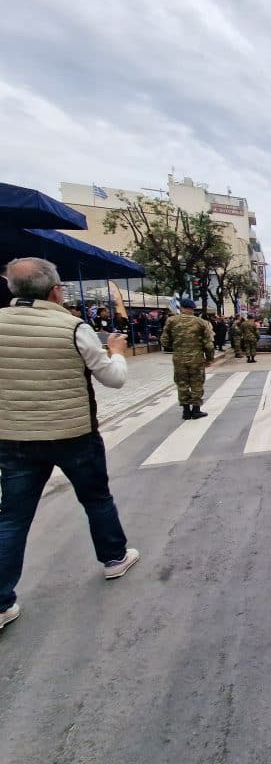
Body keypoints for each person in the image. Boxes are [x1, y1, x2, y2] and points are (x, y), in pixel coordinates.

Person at [0, 258, 140, 630]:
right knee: (96, 499)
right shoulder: (72, 327)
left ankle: (1, 602)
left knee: (12, 517)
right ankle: (114, 558)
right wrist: (115, 352)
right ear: (55, 290)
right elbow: (113, 379)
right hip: (73, 433)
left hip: (14, 437)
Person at [160, 298, 215, 419]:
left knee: (182, 383)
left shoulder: (171, 321)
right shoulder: (200, 322)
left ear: (181, 308)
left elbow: (164, 341)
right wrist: (210, 358)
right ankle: (196, 410)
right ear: (193, 309)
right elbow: (208, 344)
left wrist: (175, 347)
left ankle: (185, 411)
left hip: (179, 358)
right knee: (196, 383)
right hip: (196, 359)